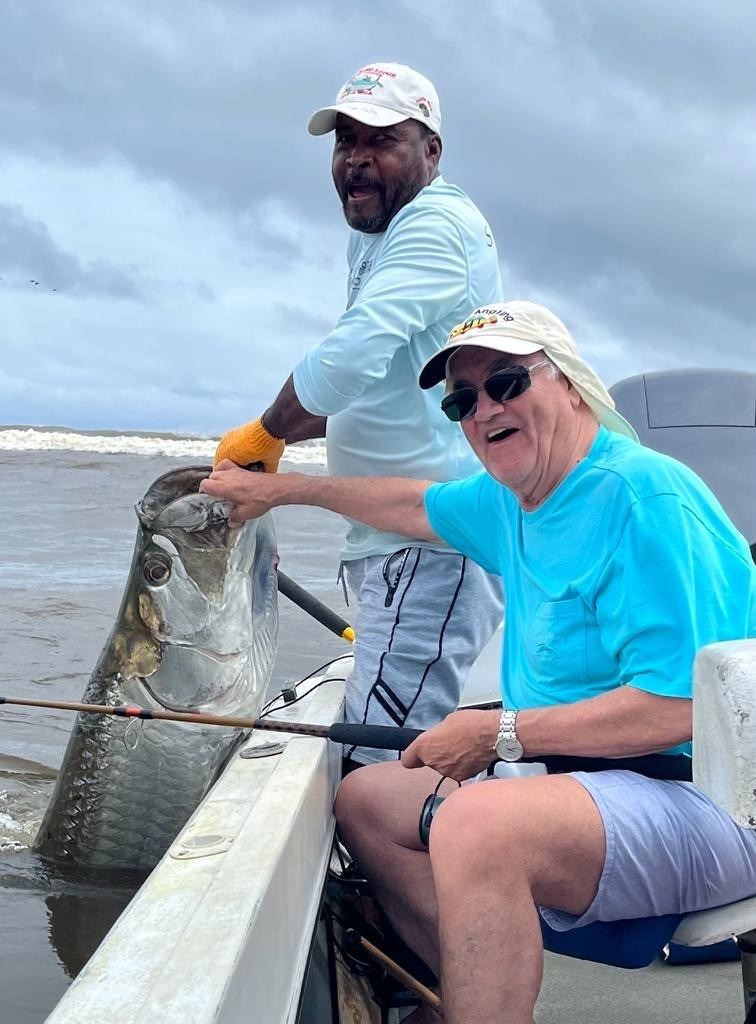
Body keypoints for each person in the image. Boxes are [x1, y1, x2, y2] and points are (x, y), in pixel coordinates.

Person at [201, 300, 756, 1024]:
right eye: (461, 400)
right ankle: (470, 995)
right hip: (582, 782)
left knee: (477, 823)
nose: (483, 408)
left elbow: (678, 708)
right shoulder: (511, 501)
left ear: (568, 383)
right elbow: (411, 504)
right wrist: (280, 490)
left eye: (505, 382)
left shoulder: (644, 499)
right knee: (368, 800)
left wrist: (499, 734)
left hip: (716, 801)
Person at [215, 62, 503, 766]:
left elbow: (347, 359)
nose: (356, 158)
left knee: (382, 765)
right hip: (391, 541)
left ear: (431, 149)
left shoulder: (434, 227)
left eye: (381, 140)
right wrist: (285, 436)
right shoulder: (381, 234)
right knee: (384, 751)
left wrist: (267, 431)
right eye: (345, 141)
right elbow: (377, 384)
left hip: (429, 547)